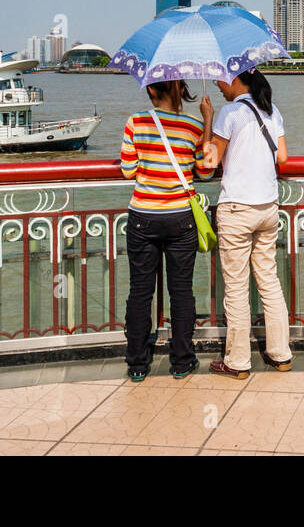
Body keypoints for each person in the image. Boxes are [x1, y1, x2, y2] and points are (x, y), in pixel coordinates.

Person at [119, 79, 213, 382]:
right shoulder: (193, 126)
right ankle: (182, 360)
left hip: (142, 217)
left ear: (150, 90)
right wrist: (208, 119)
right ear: (181, 89)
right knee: (181, 290)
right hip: (180, 219)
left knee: (140, 292)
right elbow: (205, 171)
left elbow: (127, 170)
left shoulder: (136, 122)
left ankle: (136, 363)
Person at [199, 68, 290, 379]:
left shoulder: (230, 112)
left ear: (234, 79)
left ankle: (237, 361)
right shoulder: (271, 109)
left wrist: (207, 118)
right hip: (268, 206)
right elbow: (283, 159)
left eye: (219, 79)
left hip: (237, 209)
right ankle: (281, 353)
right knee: (269, 280)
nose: (218, 85)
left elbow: (209, 164)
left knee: (236, 288)